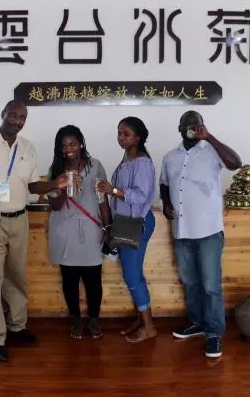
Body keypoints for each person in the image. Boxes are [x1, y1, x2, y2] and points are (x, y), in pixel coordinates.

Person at [0, 100, 66, 363]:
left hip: (19, 219)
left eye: (22, 117)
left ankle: (17, 327)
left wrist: (56, 183)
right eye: (13, 115)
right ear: (3, 114)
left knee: (17, 275)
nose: (17, 120)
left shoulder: (27, 147)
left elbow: (32, 187)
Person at [159, 110, 242, 359]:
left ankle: (214, 333)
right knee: (190, 282)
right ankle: (196, 323)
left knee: (210, 285)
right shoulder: (170, 157)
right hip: (181, 230)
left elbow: (235, 163)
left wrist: (210, 137)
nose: (191, 128)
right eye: (186, 124)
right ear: (179, 128)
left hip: (208, 231)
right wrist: (166, 203)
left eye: (196, 124)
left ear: (202, 127)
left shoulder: (213, 152)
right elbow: (164, 184)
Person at [46, 125, 112, 339]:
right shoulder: (56, 169)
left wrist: (108, 228)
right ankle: (75, 320)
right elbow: (54, 206)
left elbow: (102, 200)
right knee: (69, 280)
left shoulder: (95, 167)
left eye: (72, 144)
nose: (68, 149)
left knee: (94, 280)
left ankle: (93, 320)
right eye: (63, 146)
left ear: (81, 143)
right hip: (65, 231)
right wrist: (64, 188)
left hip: (91, 231)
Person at [97, 116, 157, 343]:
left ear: (138, 137)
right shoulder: (127, 159)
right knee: (133, 274)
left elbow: (140, 196)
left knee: (132, 275)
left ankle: (149, 327)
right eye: (119, 133)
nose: (121, 137)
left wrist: (112, 190)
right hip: (125, 223)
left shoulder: (142, 162)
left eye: (126, 134)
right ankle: (141, 320)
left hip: (136, 223)